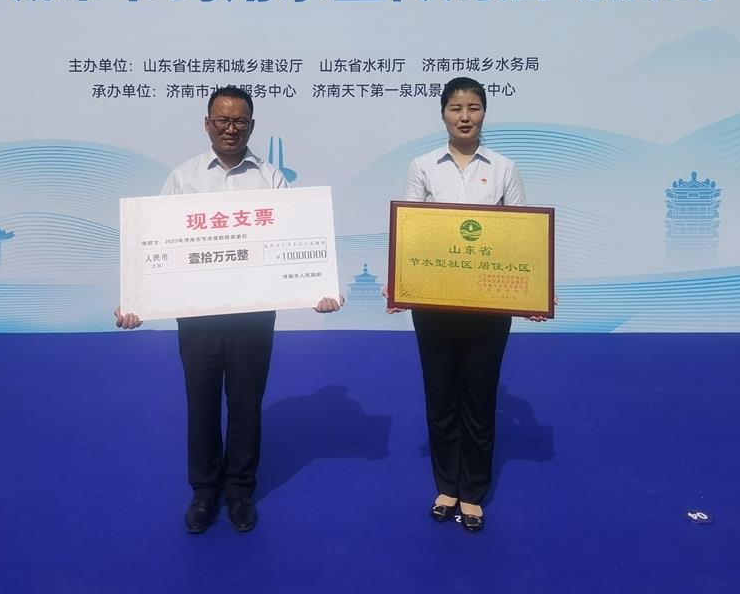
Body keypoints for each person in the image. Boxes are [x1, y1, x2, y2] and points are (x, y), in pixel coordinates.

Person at [115, 86, 342, 534]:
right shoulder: (183, 178)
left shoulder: (272, 179)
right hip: (197, 316)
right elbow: (152, 244)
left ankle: (239, 490)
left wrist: (322, 289)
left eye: (239, 121)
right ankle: (204, 491)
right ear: (207, 124)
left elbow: (297, 241)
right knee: (200, 402)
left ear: (252, 126)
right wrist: (134, 299)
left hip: (252, 317)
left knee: (246, 403)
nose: (231, 128)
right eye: (222, 120)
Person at [386, 77, 545, 534]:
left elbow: (521, 236)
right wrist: (399, 284)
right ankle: (446, 486)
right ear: (443, 114)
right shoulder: (423, 166)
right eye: (456, 108)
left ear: (484, 113)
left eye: (473, 107)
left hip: (487, 307)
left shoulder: (504, 168)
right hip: (434, 305)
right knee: (440, 395)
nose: (464, 116)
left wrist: (533, 290)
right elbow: (410, 232)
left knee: (478, 397)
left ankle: (472, 491)